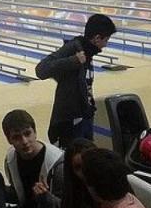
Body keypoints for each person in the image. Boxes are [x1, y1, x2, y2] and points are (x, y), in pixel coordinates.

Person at [36, 14, 117, 149]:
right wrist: (72, 61)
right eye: (106, 40)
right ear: (97, 38)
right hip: (70, 122)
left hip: (84, 117)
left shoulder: (88, 52)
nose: (106, 44)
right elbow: (41, 69)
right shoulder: (74, 48)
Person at [2, 109, 64, 208]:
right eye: (16, 137)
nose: (24, 141)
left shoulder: (57, 163)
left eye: (27, 134)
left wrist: (45, 198)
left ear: (35, 132)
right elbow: (19, 196)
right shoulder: (11, 159)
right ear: (9, 140)